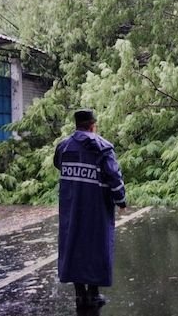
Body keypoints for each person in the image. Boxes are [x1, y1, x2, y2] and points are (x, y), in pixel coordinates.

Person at [53, 109, 127, 309]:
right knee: (96, 246)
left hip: (71, 206)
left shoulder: (64, 147)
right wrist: (121, 200)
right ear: (93, 125)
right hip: (96, 207)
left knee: (73, 244)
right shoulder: (102, 148)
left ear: (77, 126)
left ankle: (80, 295)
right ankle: (93, 295)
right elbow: (114, 177)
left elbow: (58, 164)